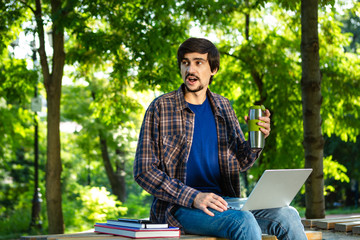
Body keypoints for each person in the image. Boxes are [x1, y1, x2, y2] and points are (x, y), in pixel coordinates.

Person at [133, 37, 307, 240]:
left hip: (226, 202)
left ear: (213, 69)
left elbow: (242, 161)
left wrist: (256, 139)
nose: (191, 70)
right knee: (242, 221)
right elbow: (144, 171)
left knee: (288, 214)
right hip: (179, 208)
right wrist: (194, 197)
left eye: (199, 63)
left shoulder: (223, 107)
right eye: (185, 62)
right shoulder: (161, 108)